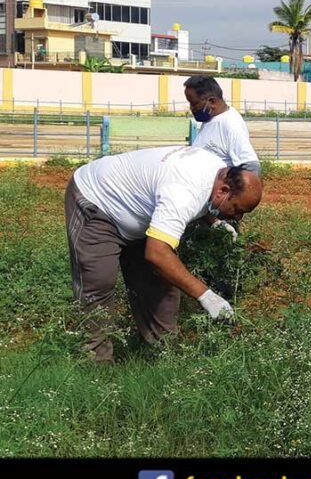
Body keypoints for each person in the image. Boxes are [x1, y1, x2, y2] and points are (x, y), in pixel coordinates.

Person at [64, 146, 262, 362]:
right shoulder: (183, 192)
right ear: (223, 190)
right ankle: (95, 367)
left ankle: (164, 359)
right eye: (237, 209)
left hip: (141, 211)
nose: (238, 218)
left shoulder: (216, 172)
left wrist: (213, 221)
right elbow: (157, 254)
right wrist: (206, 296)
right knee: (98, 283)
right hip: (97, 202)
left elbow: (197, 199)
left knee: (161, 287)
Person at [185, 76, 261, 173]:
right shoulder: (211, 119)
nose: (192, 108)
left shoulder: (231, 123)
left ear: (212, 102)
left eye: (194, 103)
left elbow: (251, 166)